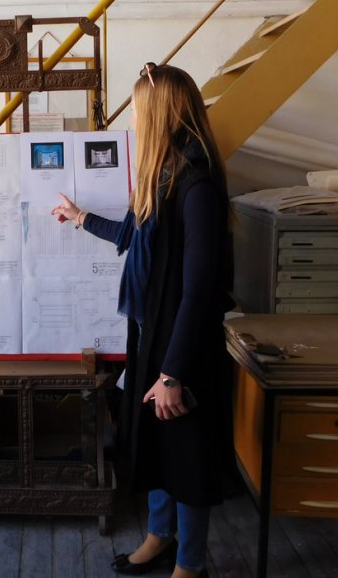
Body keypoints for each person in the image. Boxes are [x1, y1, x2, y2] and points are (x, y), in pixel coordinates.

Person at [52, 63, 235, 578]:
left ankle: (190, 564)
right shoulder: (162, 174)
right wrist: (80, 217)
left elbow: (200, 289)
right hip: (150, 334)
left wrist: (173, 373)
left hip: (183, 346)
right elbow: (132, 239)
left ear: (160, 113)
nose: (132, 119)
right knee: (155, 444)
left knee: (187, 454)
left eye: (137, 110)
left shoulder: (196, 184)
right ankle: (159, 535)